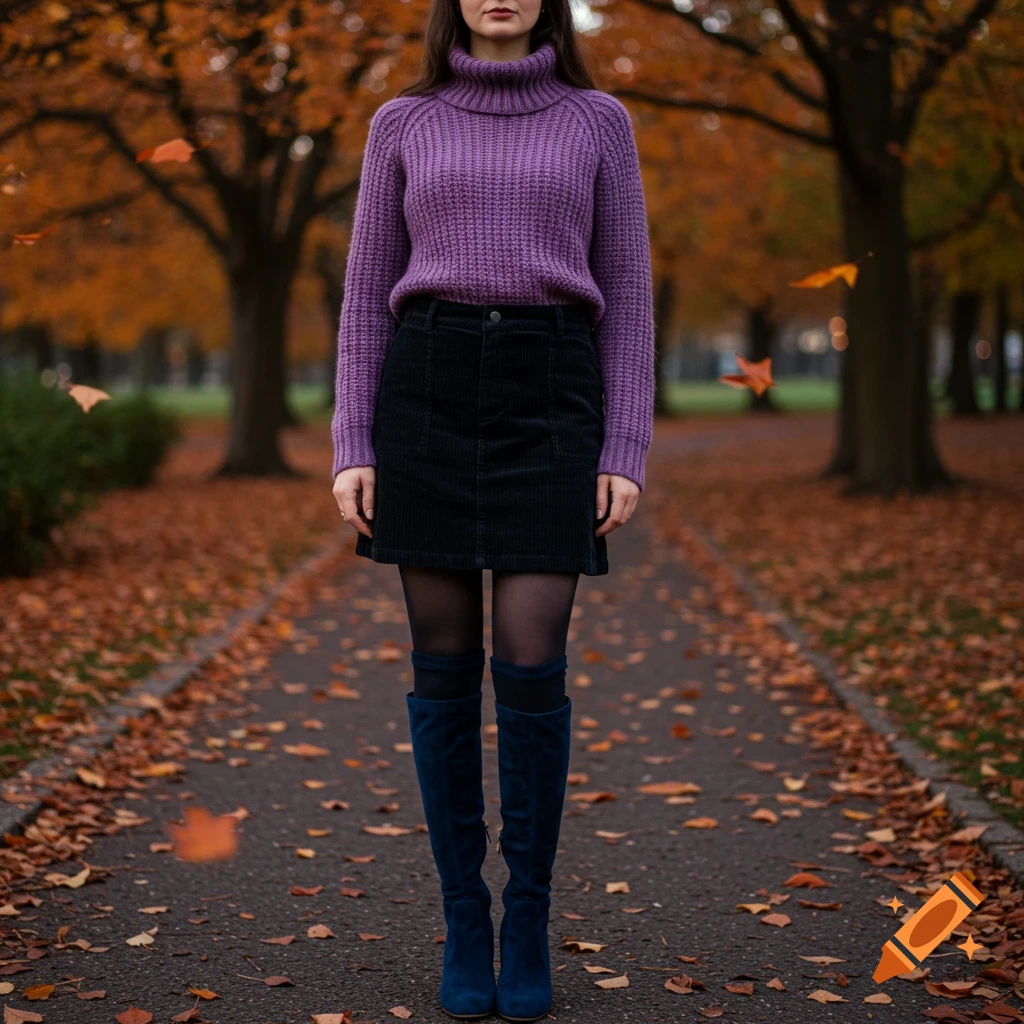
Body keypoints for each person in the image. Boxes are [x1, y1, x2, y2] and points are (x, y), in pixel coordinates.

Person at [330, 0, 654, 1019]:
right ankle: (465, 916)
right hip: (425, 388)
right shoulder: (402, 123)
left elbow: (630, 291)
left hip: (550, 387)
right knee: (439, 660)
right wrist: (352, 445)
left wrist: (623, 446)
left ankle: (529, 918)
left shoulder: (598, 119)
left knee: (528, 650)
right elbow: (364, 290)